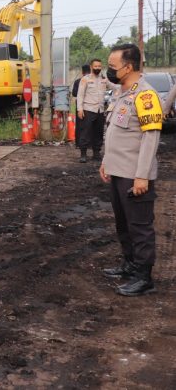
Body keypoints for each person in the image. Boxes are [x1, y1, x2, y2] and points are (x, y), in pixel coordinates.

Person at [99, 44, 162, 296]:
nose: (109, 71)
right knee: (123, 224)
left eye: (113, 67)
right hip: (117, 171)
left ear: (129, 67)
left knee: (140, 226)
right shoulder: (122, 93)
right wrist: (105, 161)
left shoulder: (146, 95)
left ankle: (144, 276)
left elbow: (151, 137)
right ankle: (129, 264)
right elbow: (114, 132)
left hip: (135, 174)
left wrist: (142, 175)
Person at [76, 58, 114, 163]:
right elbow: (80, 95)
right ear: (91, 67)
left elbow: (114, 87)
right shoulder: (85, 79)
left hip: (100, 111)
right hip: (88, 109)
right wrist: (80, 109)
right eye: (96, 66)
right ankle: (83, 154)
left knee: (98, 133)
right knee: (85, 132)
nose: (98, 68)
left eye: (99, 66)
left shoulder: (103, 79)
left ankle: (96, 153)